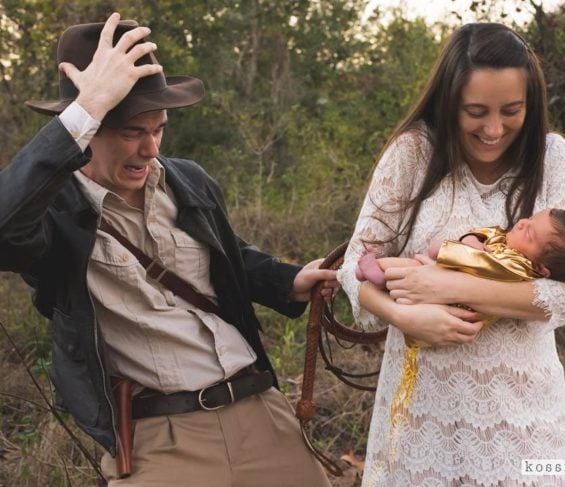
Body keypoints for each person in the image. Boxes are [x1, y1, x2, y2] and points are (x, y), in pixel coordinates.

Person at [0, 14, 335, 486]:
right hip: (159, 440)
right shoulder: (52, 208)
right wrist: (89, 104)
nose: (151, 148)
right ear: (87, 128)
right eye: (132, 132)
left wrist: (289, 279)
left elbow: (226, 258)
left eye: (159, 128)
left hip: (261, 413)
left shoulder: (187, 179)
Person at [338, 22, 565, 486]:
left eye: (512, 110)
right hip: (423, 413)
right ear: (448, 101)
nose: (494, 129)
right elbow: (353, 267)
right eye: (475, 111)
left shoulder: (555, 159)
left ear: (531, 105)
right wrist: (407, 318)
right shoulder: (413, 154)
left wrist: (451, 286)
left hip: (522, 419)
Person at [356, 207, 565, 288]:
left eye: (530, 232)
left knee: (413, 270)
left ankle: (382, 279)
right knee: (413, 266)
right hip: (446, 276)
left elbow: (479, 263)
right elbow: (488, 234)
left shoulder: (517, 268)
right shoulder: (507, 243)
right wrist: (472, 239)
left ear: (541, 268)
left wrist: (445, 250)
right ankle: (376, 273)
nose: (523, 222)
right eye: (530, 219)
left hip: (454, 299)